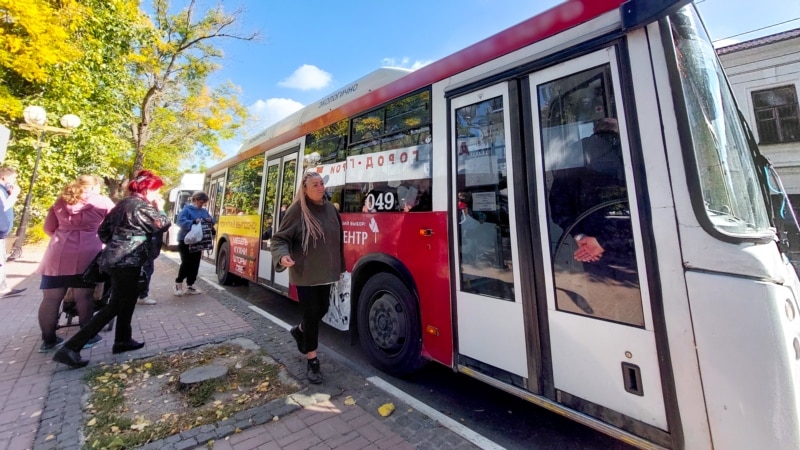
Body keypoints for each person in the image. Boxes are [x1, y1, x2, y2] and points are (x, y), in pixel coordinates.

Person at [53, 170, 170, 368]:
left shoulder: (123, 204)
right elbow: (163, 224)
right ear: (148, 189)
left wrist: (117, 244)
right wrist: (160, 208)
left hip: (116, 258)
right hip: (128, 260)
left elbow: (103, 232)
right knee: (117, 303)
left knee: (128, 298)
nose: (157, 194)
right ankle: (71, 347)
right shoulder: (140, 205)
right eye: (156, 190)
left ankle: (123, 339)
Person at [271, 171, 345, 384]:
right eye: (315, 184)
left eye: (322, 183)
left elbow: (337, 241)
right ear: (304, 189)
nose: (321, 188)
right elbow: (279, 239)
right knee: (312, 314)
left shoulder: (331, 209)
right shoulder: (297, 210)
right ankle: (312, 360)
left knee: (322, 310)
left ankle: (299, 330)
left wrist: (340, 267)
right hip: (305, 273)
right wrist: (283, 255)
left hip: (327, 273)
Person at [548, 117, 636, 281]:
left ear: (595, 127)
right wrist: (603, 241)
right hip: (635, 249)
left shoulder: (574, 151)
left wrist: (581, 237)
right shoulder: (634, 146)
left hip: (591, 252)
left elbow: (558, 205)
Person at [37, 175, 115, 352]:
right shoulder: (102, 201)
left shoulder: (62, 199)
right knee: (84, 296)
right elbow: (114, 225)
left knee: (50, 299)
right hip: (88, 252)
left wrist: (64, 235)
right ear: (95, 186)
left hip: (57, 252)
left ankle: (48, 340)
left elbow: (48, 228)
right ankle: (87, 336)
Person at [173, 191, 213, 297]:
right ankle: (178, 283)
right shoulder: (186, 210)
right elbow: (179, 221)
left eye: (203, 203)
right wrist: (192, 222)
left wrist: (210, 220)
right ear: (194, 200)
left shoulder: (204, 211)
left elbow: (211, 220)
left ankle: (190, 285)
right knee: (186, 262)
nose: (201, 204)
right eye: (200, 202)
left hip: (198, 241)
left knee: (195, 263)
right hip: (185, 240)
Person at [0, 167, 24, 298]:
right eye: (13, 178)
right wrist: (14, 195)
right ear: (4, 178)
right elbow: (3, 207)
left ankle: (3, 287)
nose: (15, 181)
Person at [137, 193, 165, 305]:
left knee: (144, 270)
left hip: (144, 246)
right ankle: (142, 295)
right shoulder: (147, 209)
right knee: (146, 271)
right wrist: (161, 209)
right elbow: (164, 224)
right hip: (145, 247)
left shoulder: (136, 206)